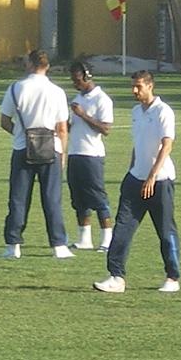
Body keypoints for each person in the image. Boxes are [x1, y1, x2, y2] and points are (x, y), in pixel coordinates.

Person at [94, 70, 181, 293]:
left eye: (139, 87)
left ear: (150, 86)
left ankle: (172, 277)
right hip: (135, 180)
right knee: (122, 227)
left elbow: (167, 145)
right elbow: (138, 144)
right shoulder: (136, 112)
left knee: (165, 231)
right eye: (133, 86)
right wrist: (132, 171)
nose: (134, 91)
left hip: (160, 181)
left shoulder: (163, 112)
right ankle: (116, 277)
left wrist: (152, 175)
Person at [0, 49, 74, 259]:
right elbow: (62, 127)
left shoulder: (16, 88)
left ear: (29, 64)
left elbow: (4, 121)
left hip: (22, 148)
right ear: (47, 66)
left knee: (18, 198)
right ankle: (59, 245)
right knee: (52, 198)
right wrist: (64, 154)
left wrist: (21, 133)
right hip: (52, 149)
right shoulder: (57, 92)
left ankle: (13, 244)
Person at [67, 61, 114, 252]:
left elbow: (105, 129)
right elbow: (72, 126)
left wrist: (83, 115)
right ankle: (84, 239)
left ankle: (107, 239)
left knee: (98, 198)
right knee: (78, 199)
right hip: (74, 153)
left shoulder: (102, 99)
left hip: (91, 155)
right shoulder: (77, 98)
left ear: (87, 77)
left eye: (77, 79)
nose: (75, 83)